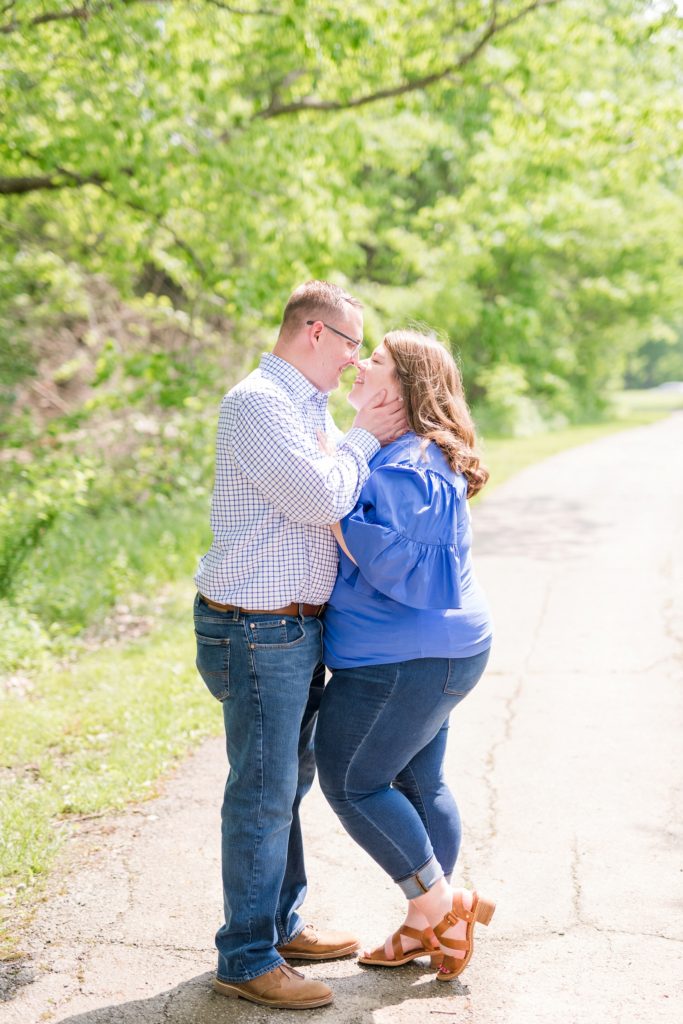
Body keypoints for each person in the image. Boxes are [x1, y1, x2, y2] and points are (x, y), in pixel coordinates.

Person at [193, 281, 407, 1010]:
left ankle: (277, 926)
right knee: (262, 792)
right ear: (316, 333)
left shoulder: (307, 405)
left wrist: (351, 444)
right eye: (352, 344)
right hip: (258, 627)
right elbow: (322, 498)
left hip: (293, 626)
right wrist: (365, 436)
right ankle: (245, 957)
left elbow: (333, 487)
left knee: (285, 784)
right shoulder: (259, 403)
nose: (355, 361)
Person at [315, 329, 496, 984]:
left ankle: (444, 908)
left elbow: (396, 565)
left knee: (353, 781)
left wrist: (328, 504)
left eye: (377, 361)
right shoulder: (405, 453)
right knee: (421, 783)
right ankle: (424, 926)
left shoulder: (410, 463)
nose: (360, 365)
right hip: (431, 655)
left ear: (405, 387)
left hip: (402, 663)